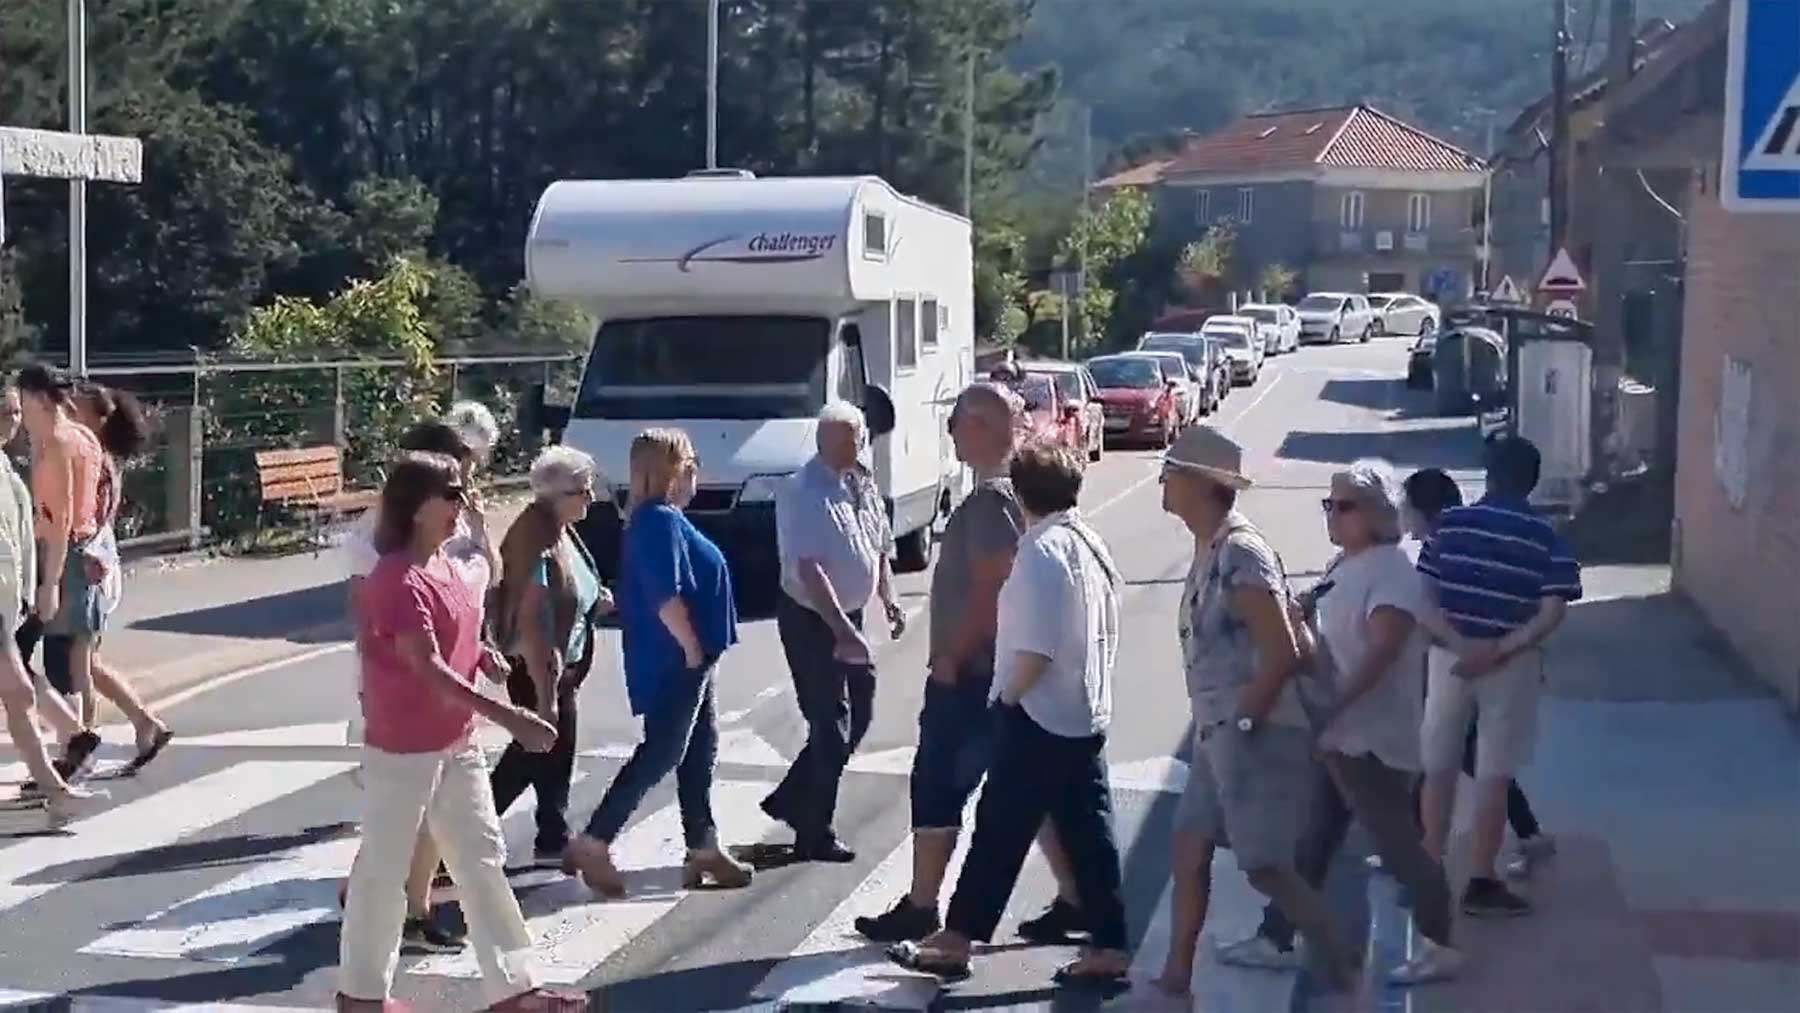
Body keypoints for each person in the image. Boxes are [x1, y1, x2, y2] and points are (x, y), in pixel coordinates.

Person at [336, 451, 576, 1012]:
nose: (461, 504)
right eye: (450, 494)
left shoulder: (445, 564)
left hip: (454, 740)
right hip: (403, 747)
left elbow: (454, 644)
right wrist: (511, 716)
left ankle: (516, 989)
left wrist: (485, 657)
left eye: (462, 492)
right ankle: (362, 995)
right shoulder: (396, 578)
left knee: (481, 857)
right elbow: (426, 667)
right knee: (385, 869)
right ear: (416, 506)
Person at [887, 442, 1130, 986]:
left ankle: (955, 940)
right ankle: (1111, 945)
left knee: (998, 831)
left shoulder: (1041, 554)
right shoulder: (1090, 543)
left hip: (1039, 717)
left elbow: (1036, 649)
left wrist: (1008, 698)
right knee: (1090, 834)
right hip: (1083, 711)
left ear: (1020, 493)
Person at [855, 384, 1087, 945]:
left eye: (955, 422)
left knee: (938, 785)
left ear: (980, 426)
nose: (951, 433)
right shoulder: (1016, 494)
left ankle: (922, 906)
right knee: (1032, 789)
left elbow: (991, 587)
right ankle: (1078, 896)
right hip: (1006, 671)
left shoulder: (989, 502)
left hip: (976, 673)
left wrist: (951, 659)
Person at [1219, 460, 1464, 984]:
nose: (1332, 514)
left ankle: (1441, 941)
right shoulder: (1346, 563)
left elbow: (1383, 650)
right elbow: (1326, 625)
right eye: (1329, 504)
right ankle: (1277, 935)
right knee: (1312, 839)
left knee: (1397, 846)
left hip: (1368, 738)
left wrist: (1335, 706)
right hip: (1340, 735)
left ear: (1379, 514)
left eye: (1344, 506)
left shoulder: (1392, 571)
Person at [1151, 425, 1357, 996]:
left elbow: (1282, 653)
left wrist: (1243, 723)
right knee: (1188, 844)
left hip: (1256, 734)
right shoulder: (1209, 546)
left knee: (1266, 866)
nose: (1162, 480)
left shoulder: (1240, 552)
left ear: (1201, 484)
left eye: (1171, 471)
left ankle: (1342, 967)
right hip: (1219, 734)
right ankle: (1175, 975)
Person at [562, 428, 752, 897]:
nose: (696, 475)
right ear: (672, 472)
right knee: (665, 750)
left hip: (689, 655)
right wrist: (690, 648)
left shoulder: (659, 519)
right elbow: (668, 595)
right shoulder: (658, 522)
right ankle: (596, 838)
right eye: (690, 465)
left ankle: (702, 844)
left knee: (697, 749)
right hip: (676, 657)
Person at [343, 410, 499, 953]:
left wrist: (480, 650)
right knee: (397, 821)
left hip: (455, 699)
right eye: (454, 481)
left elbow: (477, 589)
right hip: (406, 696)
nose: (465, 491)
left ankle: (416, 907)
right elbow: (378, 622)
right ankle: (378, 916)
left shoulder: (454, 526)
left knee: (455, 831)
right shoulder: (380, 546)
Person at [1417, 436, 1582, 917]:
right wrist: (1500, 650)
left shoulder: (1448, 526)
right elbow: (1552, 612)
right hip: (1511, 667)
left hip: (1449, 660)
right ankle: (1481, 880)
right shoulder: (1546, 537)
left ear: (1487, 475)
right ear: (1531, 482)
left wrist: (1459, 642)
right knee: (1492, 772)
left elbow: (1421, 599)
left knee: (1440, 764)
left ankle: (1429, 865)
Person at [763, 402, 904, 863]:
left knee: (860, 713)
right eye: (845, 439)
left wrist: (889, 598)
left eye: (858, 437)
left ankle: (791, 799)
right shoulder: (803, 491)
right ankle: (814, 831)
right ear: (822, 441)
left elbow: (879, 545)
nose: (854, 446)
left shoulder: (861, 481)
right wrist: (843, 631)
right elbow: (810, 571)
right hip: (812, 618)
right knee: (830, 726)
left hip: (851, 615)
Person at [1402, 467, 1554, 879]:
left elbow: (1429, 612)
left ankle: (1442, 854)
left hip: (1458, 666)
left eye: (1407, 509)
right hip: (1478, 665)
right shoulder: (1472, 538)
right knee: (1470, 759)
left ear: (1425, 513)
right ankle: (1522, 837)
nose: (1405, 520)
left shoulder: (1445, 546)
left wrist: (1472, 649)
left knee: (1454, 759)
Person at [38, 382, 174, 773]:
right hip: (99, 566)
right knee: (89, 663)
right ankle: (145, 723)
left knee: (80, 665)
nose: (69, 409)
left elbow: (79, 520)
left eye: (77, 405)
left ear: (98, 418)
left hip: (87, 568)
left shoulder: (92, 459)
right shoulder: (98, 456)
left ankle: (80, 749)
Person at [490, 446, 613, 864]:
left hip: (563, 667)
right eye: (582, 490)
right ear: (555, 495)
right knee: (533, 748)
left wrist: (597, 601)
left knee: (557, 752)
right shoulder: (536, 541)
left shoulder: (559, 529)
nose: (591, 498)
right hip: (539, 669)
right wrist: (545, 699)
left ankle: (553, 832)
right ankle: (465, 834)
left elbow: (574, 588)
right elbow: (534, 626)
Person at [0, 381, 101, 825]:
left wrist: (32, 589)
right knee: (20, 690)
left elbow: (21, 537)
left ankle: (55, 788)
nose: (12, 422)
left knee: (20, 691)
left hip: (6, 602)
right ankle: (58, 778)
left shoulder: (7, 466)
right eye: (5, 414)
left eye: (15, 413)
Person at [15, 364, 112, 783]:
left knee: (23, 657)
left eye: (20, 400)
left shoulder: (55, 443)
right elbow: (102, 492)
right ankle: (71, 740)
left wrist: (49, 582)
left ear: (36, 399)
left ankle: (72, 741)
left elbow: (59, 517)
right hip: (83, 549)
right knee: (53, 656)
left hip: (58, 556)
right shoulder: (83, 436)